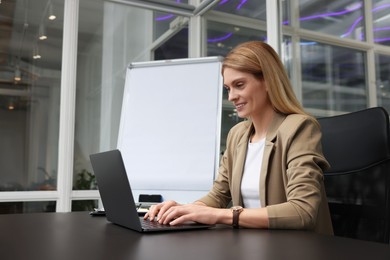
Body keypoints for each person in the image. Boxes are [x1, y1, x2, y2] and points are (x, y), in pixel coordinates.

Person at [144, 41, 333, 235]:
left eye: (239, 85)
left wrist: (221, 215)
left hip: (294, 249)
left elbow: (302, 211)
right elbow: (218, 195)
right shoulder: (237, 134)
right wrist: (185, 210)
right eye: (228, 88)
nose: (231, 97)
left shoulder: (299, 128)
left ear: (268, 81)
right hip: (251, 245)